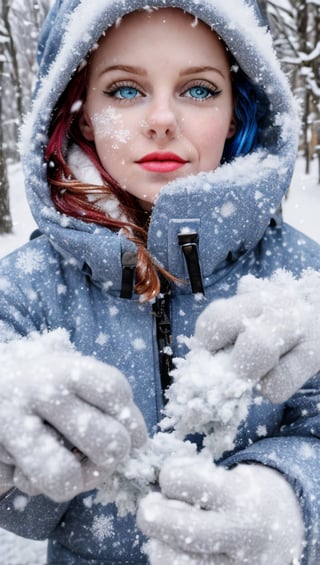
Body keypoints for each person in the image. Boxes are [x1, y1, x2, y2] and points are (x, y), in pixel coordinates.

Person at [0, 0, 320, 563]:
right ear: (80, 114)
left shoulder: (303, 279)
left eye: (199, 90)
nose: (162, 119)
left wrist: (292, 502)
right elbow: (22, 509)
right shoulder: (26, 288)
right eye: (125, 90)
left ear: (239, 110)